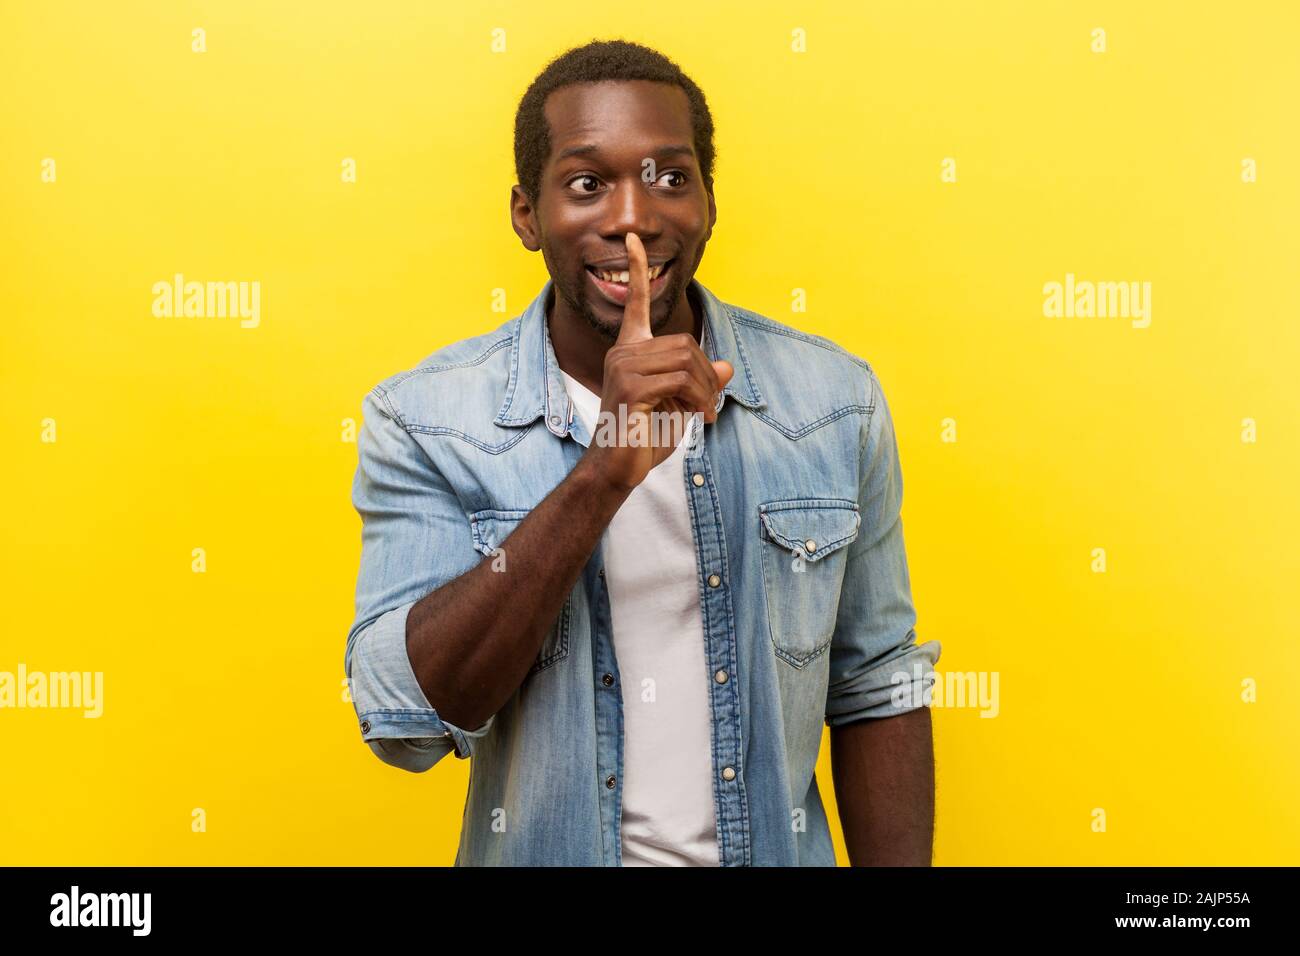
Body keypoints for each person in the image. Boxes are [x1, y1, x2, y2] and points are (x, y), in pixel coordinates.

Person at [344, 38, 941, 866]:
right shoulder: (427, 421)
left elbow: (877, 685)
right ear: (527, 214)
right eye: (589, 184)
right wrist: (605, 469)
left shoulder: (833, 402)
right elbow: (405, 722)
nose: (635, 217)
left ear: (708, 202)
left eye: (670, 177)